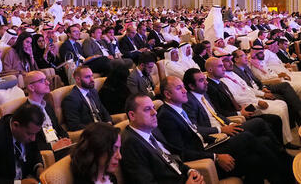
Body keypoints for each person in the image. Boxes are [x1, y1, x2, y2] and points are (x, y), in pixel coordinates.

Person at [157, 76, 294, 183]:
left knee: (257, 155)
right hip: (204, 155)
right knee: (247, 137)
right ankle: (287, 172)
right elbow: (182, 153)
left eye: (183, 87)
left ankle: (284, 173)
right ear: (168, 94)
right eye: (179, 88)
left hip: (209, 144)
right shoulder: (167, 116)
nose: (185, 90)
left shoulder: (177, 109)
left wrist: (221, 135)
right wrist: (215, 157)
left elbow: (196, 133)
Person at [120, 93, 205, 184]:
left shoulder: (154, 130)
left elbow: (172, 158)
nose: (154, 112)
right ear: (132, 115)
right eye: (147, 109)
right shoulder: (131, 144)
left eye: (153, 107)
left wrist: (190, 171)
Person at [24, 71, 72, 159]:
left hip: (61, 148)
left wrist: (66, 139)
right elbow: (30, 144)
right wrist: (53, 147)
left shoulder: (47, 105)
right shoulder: (25, 113)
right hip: (48, 154)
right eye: (42, 81)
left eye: (46, 79)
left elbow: (58, 127)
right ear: (31, 87)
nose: (48, 83)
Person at [62, 66, 112, 131]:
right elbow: (74, 125)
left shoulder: (93, 91)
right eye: (87, 77)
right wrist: (97, 128)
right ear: (78, 80)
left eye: (92, 76)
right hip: (91, 131)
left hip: (102, 127)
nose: (92, 79)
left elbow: (103, 109)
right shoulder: (71, 98)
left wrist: (109, 121)